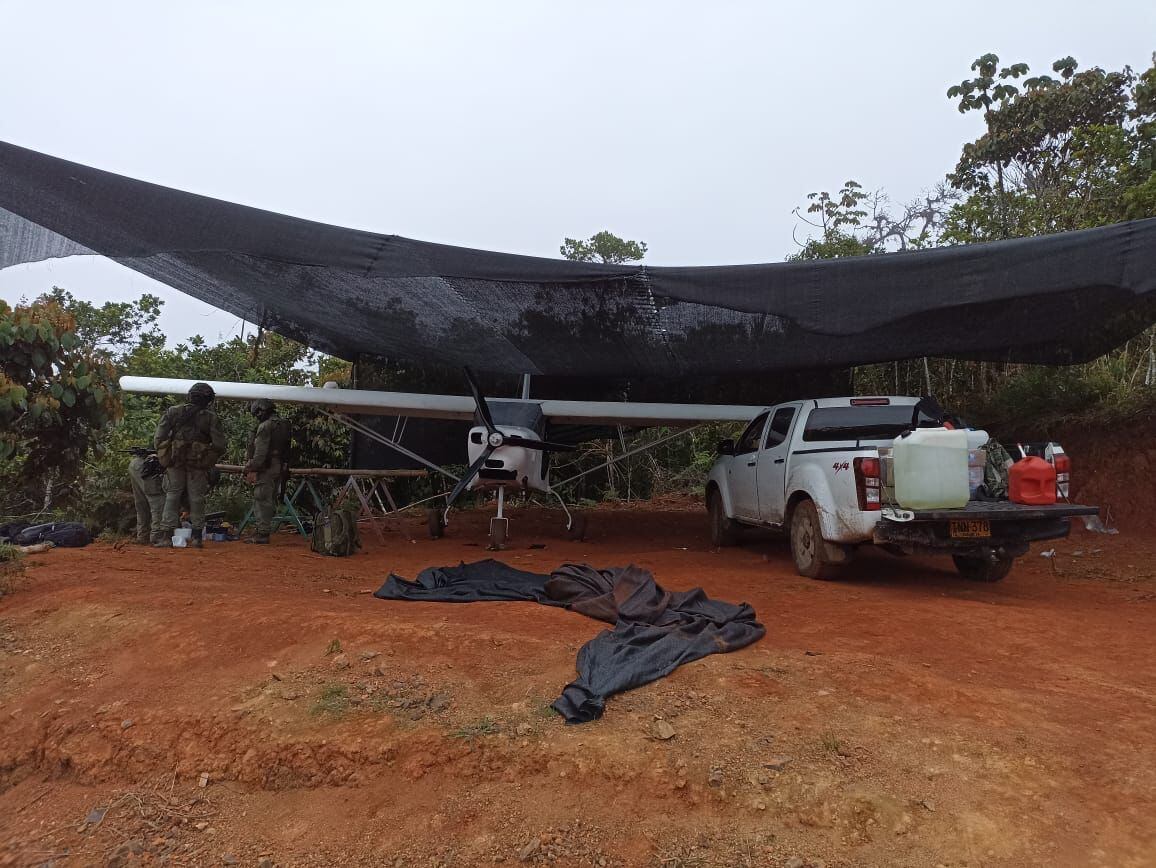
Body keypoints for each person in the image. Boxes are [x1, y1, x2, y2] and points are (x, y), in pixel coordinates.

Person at [153, 382, 227, 549]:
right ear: (208, 400)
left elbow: (158, 439)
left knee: (172, 496)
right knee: (197, 498)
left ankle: (166, 536)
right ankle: (196, 538)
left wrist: (168, 454)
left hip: (175, 462)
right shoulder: (210, 417)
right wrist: (205, 459)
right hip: (198, 465)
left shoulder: (173, 411)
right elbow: (220, 445)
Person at [243, 399, 291, 545]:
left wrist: (250, 467)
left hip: (267, 466)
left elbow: (260, 453)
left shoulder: (265, 426)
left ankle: (262, 533)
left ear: (260, 412)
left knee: (261, 498)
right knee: (270, 498)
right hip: (280, 466)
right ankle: (264, 530)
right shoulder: (284, 424)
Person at [127, 448, 166, 545]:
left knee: (141, 503)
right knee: (157, 501)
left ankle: (143, 536)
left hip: (136, 463)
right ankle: (157, 537)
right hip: (149, 465)